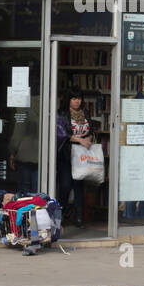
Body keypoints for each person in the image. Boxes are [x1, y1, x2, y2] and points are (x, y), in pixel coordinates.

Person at [55, 89, 95, 229]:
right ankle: (62, 213)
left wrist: (89, 138)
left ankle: (78, 217)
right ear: (68, 100)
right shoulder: (62, 114)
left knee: (79, 186)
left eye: (79, 98)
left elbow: (91, 130)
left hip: (82, 155)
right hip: (67, 154)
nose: (77, 101)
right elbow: (62, 133)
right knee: (65, 185)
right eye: (74, 98)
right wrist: (79, 140)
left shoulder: (86, 113)